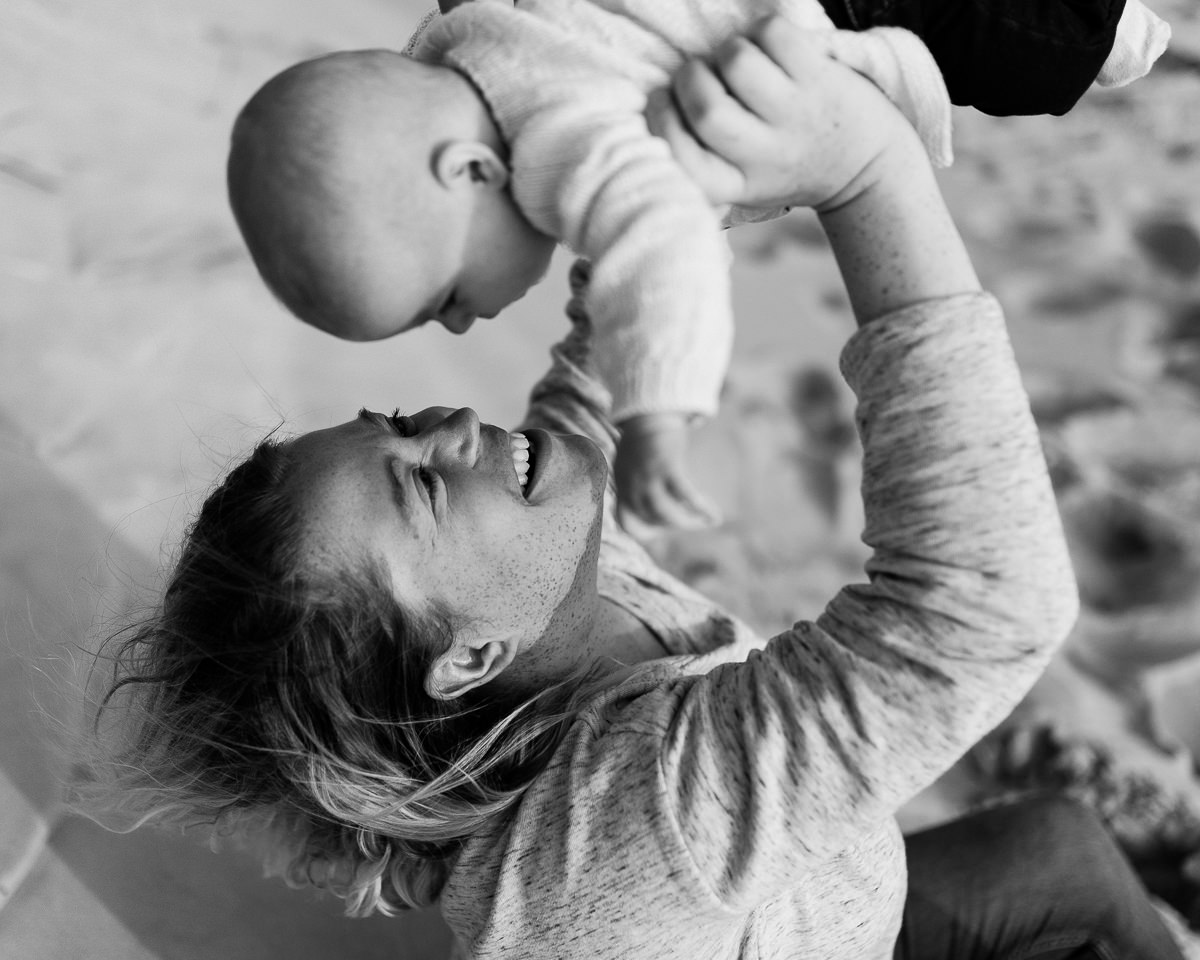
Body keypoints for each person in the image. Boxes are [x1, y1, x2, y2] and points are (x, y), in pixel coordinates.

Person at [82, 18, 1185, 958]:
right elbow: (980, 609)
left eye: (400, 423)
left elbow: (596, 383)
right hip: (746, 911)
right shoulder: (632, 823)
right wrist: (867, 177)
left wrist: (641, 158)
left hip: (821, 913)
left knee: (1059, 848)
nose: (457, 425)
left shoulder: (532, 584)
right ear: (468, 659)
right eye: (420, 487)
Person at [224, 0, 1169, 532]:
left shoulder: (565, 135)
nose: (468, 322)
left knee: (1044, 49)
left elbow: (665, 250)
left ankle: (1126, 32)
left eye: (443, 300)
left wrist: (657, 415)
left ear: (469, 171)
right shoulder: (478, 28)